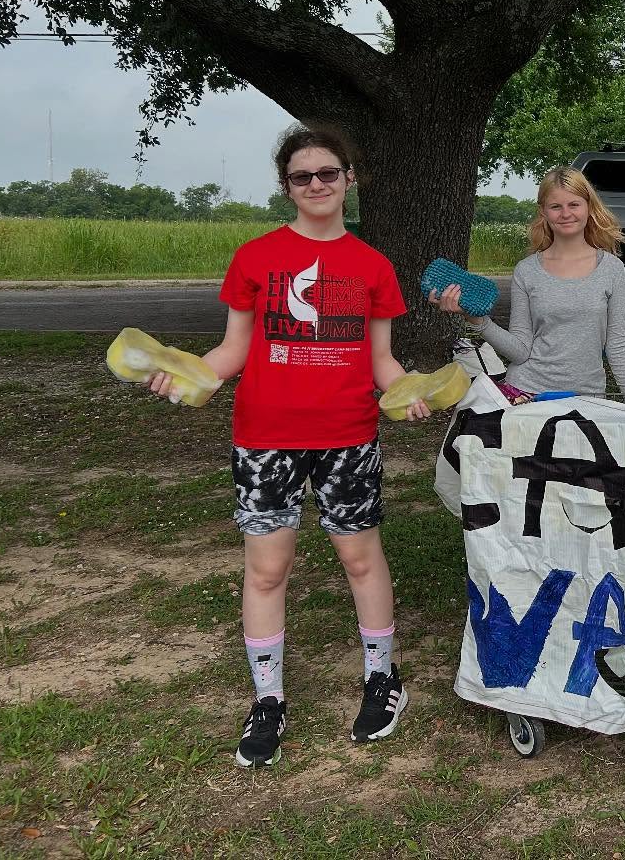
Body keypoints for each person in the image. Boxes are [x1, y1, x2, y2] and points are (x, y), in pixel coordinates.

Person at [143, 124, 430, 768]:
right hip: (265, 437)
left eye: (328, 173)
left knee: (361, 560)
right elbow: (233, 349)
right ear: (287, 187)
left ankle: (383, 680)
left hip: (348, 436)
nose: (317, 184)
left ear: (348, 179)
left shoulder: (373, 265)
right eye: (303, 176)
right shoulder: (255, 257)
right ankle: (268, 700)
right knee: (267, 570)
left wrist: (409, 392)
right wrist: (186, 375)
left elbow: (382, 360)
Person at [431, 167, 625, 404]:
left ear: (589, 206)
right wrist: (477, 321)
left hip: (587, 398)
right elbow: (520, 351)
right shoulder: (526, 271)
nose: (566, 214)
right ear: (543, 211)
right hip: (527, 395)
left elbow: (617, 344)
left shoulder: (612, 268)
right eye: (556, 206)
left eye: (574, 204)